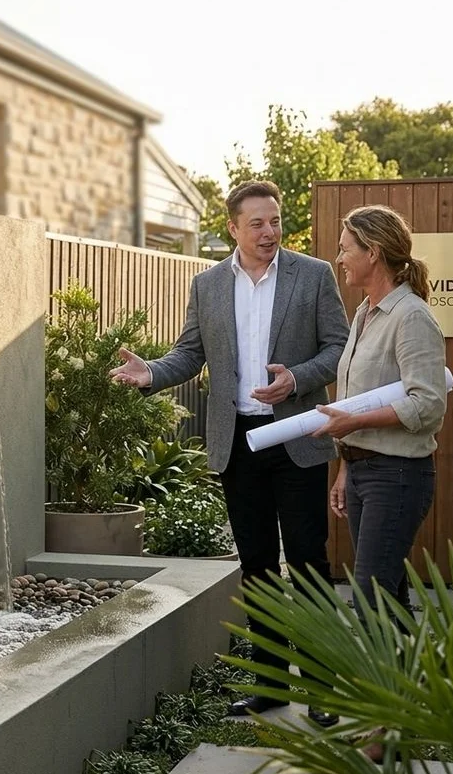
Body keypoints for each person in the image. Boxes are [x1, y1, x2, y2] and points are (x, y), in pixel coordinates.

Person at [109, 180, 348, 725]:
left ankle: (320, 690)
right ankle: (270, 686)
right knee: (258, 567)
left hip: (297, 439)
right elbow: (190, 353)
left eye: (275, 221)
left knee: (309, 563)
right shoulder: (208, 284)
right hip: (238, 443)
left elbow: (339, 347)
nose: (269, 232)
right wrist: (151, 373)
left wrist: (297, 379)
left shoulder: (314, 275)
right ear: (234, 229)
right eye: (257, 223)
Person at [311, 204, 447, 764]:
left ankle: (382, 729)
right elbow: (357, 399)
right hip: (366, 472)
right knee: (387, 598)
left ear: (374, 252)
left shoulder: (410, 316)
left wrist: (355, 425)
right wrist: (345, 463)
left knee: (369, 600)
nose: (339, 257)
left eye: (346, 247)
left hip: (398, 476)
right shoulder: (365, 314)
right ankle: (407, 706)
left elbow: (428, 404)